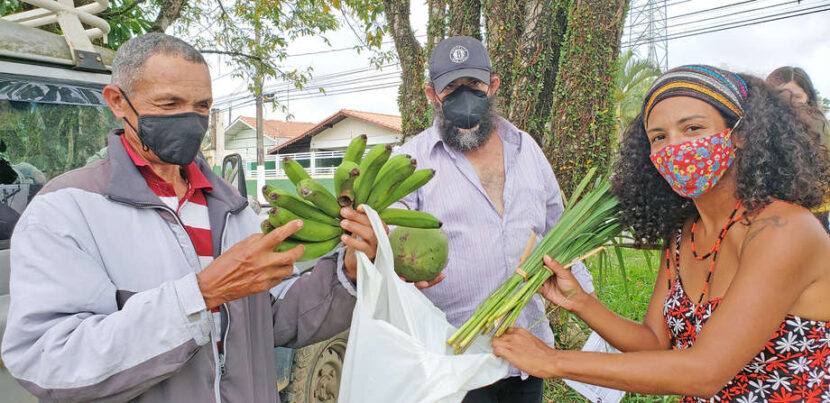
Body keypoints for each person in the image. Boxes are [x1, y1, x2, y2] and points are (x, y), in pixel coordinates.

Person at [0, 33, 378, 402]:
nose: (190, 119)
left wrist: (348, 271)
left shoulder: (232, 208)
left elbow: (276, 316)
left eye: (201, 106)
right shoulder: (66, 211)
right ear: (117, 102)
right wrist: (201, 296)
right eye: (169, 104)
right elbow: (48, 362)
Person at [491, 65, 830, 402]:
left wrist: (553, 361)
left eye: (693, 128)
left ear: (740, 134)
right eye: (659, 137)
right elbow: (655, 341)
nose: (675, 147)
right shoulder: (685, 234)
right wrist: (581, 302)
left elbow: (705, 372)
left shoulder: (784, 230)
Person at [394, 35, 595, 402]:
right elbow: (393, 241)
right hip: (453, 358)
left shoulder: (526, 148)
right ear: (431, 95)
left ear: (493, 86)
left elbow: (558, 229)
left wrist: (592, 309)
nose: (464, 96)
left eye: (473, 85)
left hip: (525, 355)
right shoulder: (412, 161)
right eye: (451, 88)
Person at [766, 66, 830, 231]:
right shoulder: (762, 126)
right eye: (782, 95)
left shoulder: (818, 125)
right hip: (775, 209)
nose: (790, 101)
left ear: (807, 97)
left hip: (814, 207)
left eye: (797, 96)